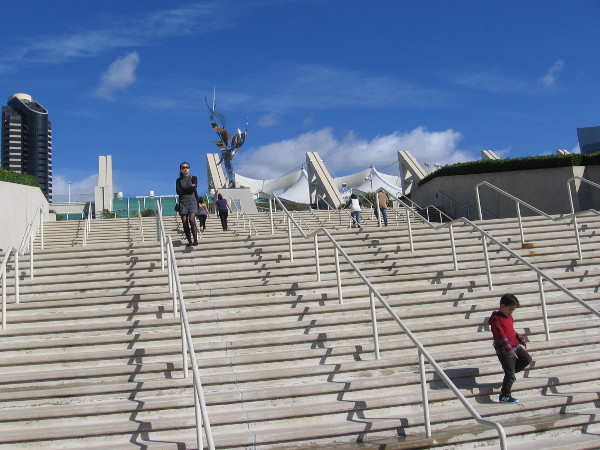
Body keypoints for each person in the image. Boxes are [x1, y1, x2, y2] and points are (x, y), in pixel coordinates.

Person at [488, 293, 532, 403]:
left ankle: (510, 376)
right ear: (502, 306)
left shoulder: (509, 317)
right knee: (510, 373)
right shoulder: (496, 319)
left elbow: (511, 331)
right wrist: (509, 350)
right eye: (509, 309)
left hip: (515, 346)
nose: (511, 312)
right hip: (504, 349)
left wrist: (520, 338)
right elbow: (501, 335)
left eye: (513, 310)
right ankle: (504, 395)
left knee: (527, 359)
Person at [175, 162, 199, 246]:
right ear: (181, 170)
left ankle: (195, 240)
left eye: (187, 167)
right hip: (183, 202)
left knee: (192, 220)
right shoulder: (178, 180)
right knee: (184, 222)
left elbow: (194, 188)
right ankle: (189, 241)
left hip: (192, 201)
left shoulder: (193, 178)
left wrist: (185, 189)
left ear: (189, 168)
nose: (185, 168)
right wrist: (189, 188)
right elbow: (178, 191)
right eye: (183, 167)